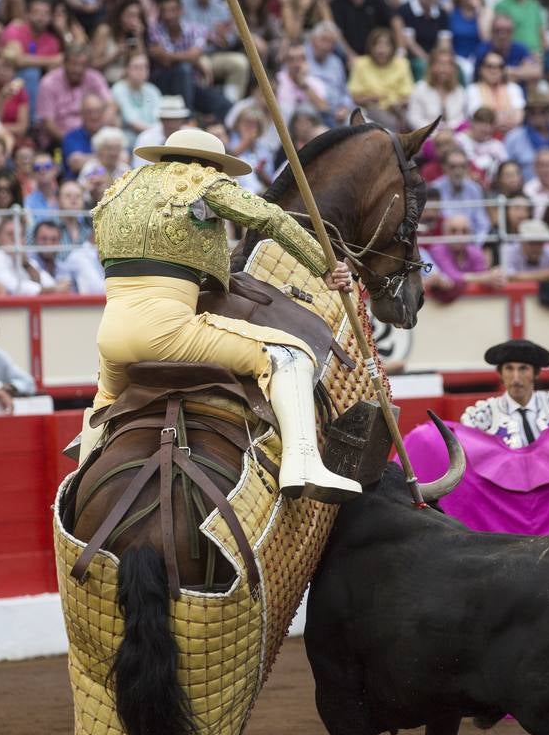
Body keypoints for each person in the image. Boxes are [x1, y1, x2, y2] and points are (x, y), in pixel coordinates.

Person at [87, 127, 360, 501]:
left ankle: (81, 472)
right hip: (167, 331)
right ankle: (303, 462)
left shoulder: (121, 188)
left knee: (103, 403)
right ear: (210, 164)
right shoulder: (203, 182)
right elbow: (269, 219)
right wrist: (324, 267)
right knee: (290, 355)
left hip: (110, 336)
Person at [460, 339, 549, 449]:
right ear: (500, 373)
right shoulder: (482, 416)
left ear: (536, 373)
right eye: (509, 369)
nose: (516, 378)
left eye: (523, 369)